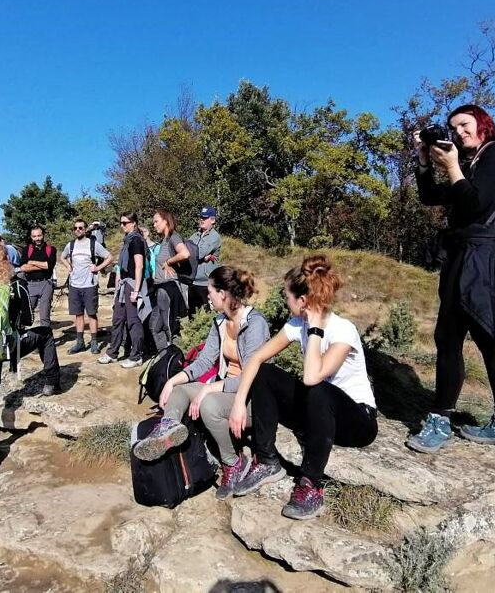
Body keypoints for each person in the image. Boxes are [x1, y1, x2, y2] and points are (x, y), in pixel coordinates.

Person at [407, 104, 495, 455]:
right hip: (464, 256)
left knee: (488, 339)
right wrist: (424, 161)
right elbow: (431, 196)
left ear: (483, 124)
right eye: (454, 127)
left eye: (465, 124)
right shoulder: (471, 163)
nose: (459, 132)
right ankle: (455, 419)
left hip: (487, 260)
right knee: (450, 338)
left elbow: (475, 205)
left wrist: (451, 166)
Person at [227, 254, 378, 520]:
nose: (286, 302)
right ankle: (266, 460)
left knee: (317, 387)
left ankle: (311, 485)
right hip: (318, 415)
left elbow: (312, 378)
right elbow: (257, 358)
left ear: (304, 301)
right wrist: (239, 404)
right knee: (265, 372)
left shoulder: (343, 331)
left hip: (356, 421)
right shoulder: (297, 324)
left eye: (288, 296)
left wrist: (316, 330)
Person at [133, 265, 269, 499]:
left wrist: (208, 390)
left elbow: (250, 376)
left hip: (251, 398)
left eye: (210, 291)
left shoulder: (255, 324)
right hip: (225, 389)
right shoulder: (220, 322)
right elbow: (205, 360)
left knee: (208, 404)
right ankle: (169, 429)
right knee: (181, 391)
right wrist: (172, 381)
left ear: (223, 294)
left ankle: (233, 463)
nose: (207, 296)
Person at [0, 241, 61, 476]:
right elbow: (27, 321)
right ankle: (51, 382)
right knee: (45, 334)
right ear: (9, 260)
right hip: (6, 346)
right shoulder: (16, 284)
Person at [99, 212, 151, 368]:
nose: (122, 226)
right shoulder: (128, 240)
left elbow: (139, 265)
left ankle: (136, 356)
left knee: (133, 321)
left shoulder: (136, 240)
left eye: (125, 223)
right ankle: (112, 352)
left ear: (134, 223)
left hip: (133, 284)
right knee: (118, 318)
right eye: (121, 223)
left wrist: (136, 290)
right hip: (124, 284)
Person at [62, 219, 113, 355]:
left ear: (85, 229)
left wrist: (98, 267)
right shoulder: (71, 245)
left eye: (80, 228)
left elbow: (109, 257)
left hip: (89, 284)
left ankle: (94, 342)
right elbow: (62, 257)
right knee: (78, 314)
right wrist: (68, 266)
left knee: (91, 313)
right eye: (75, 228)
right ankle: (80, 342)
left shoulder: (93, 244)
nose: (78, 230)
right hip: (74, 285)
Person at [148, 209, 191, 356]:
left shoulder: (174, 237)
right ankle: (165, 358)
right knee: (155, 326)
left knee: (170, 327)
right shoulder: (164, 240)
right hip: (161, 289)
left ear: (166, 221)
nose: (154, 225)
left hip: (169, 288)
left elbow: (185, 253)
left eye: (156, 221)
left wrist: (168, 261)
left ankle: (175, 360)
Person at [20, 226, 57, 329]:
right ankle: (22, 339)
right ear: (31, 237)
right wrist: (42, 265)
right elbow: (23, 267)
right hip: (30, 284)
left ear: (43, 235)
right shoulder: (27, 249)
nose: (37, 238)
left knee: (44, 316)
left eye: (39, 235)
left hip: (46, 284)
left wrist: (31, 262)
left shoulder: (51, 249)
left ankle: (46, 341)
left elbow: (49, 266)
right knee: (26, 314)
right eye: (34, 236)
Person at [188, 206, 222, 316]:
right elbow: (186, 250)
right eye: (201, 217)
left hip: (206, 282)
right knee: (192, 314)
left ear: (213, 220)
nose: (201, 220)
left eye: (205, 218)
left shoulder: (214, 237)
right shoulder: (195, 235)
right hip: (192, 280)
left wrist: (196, 254)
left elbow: (199, 253)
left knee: (209, 314)